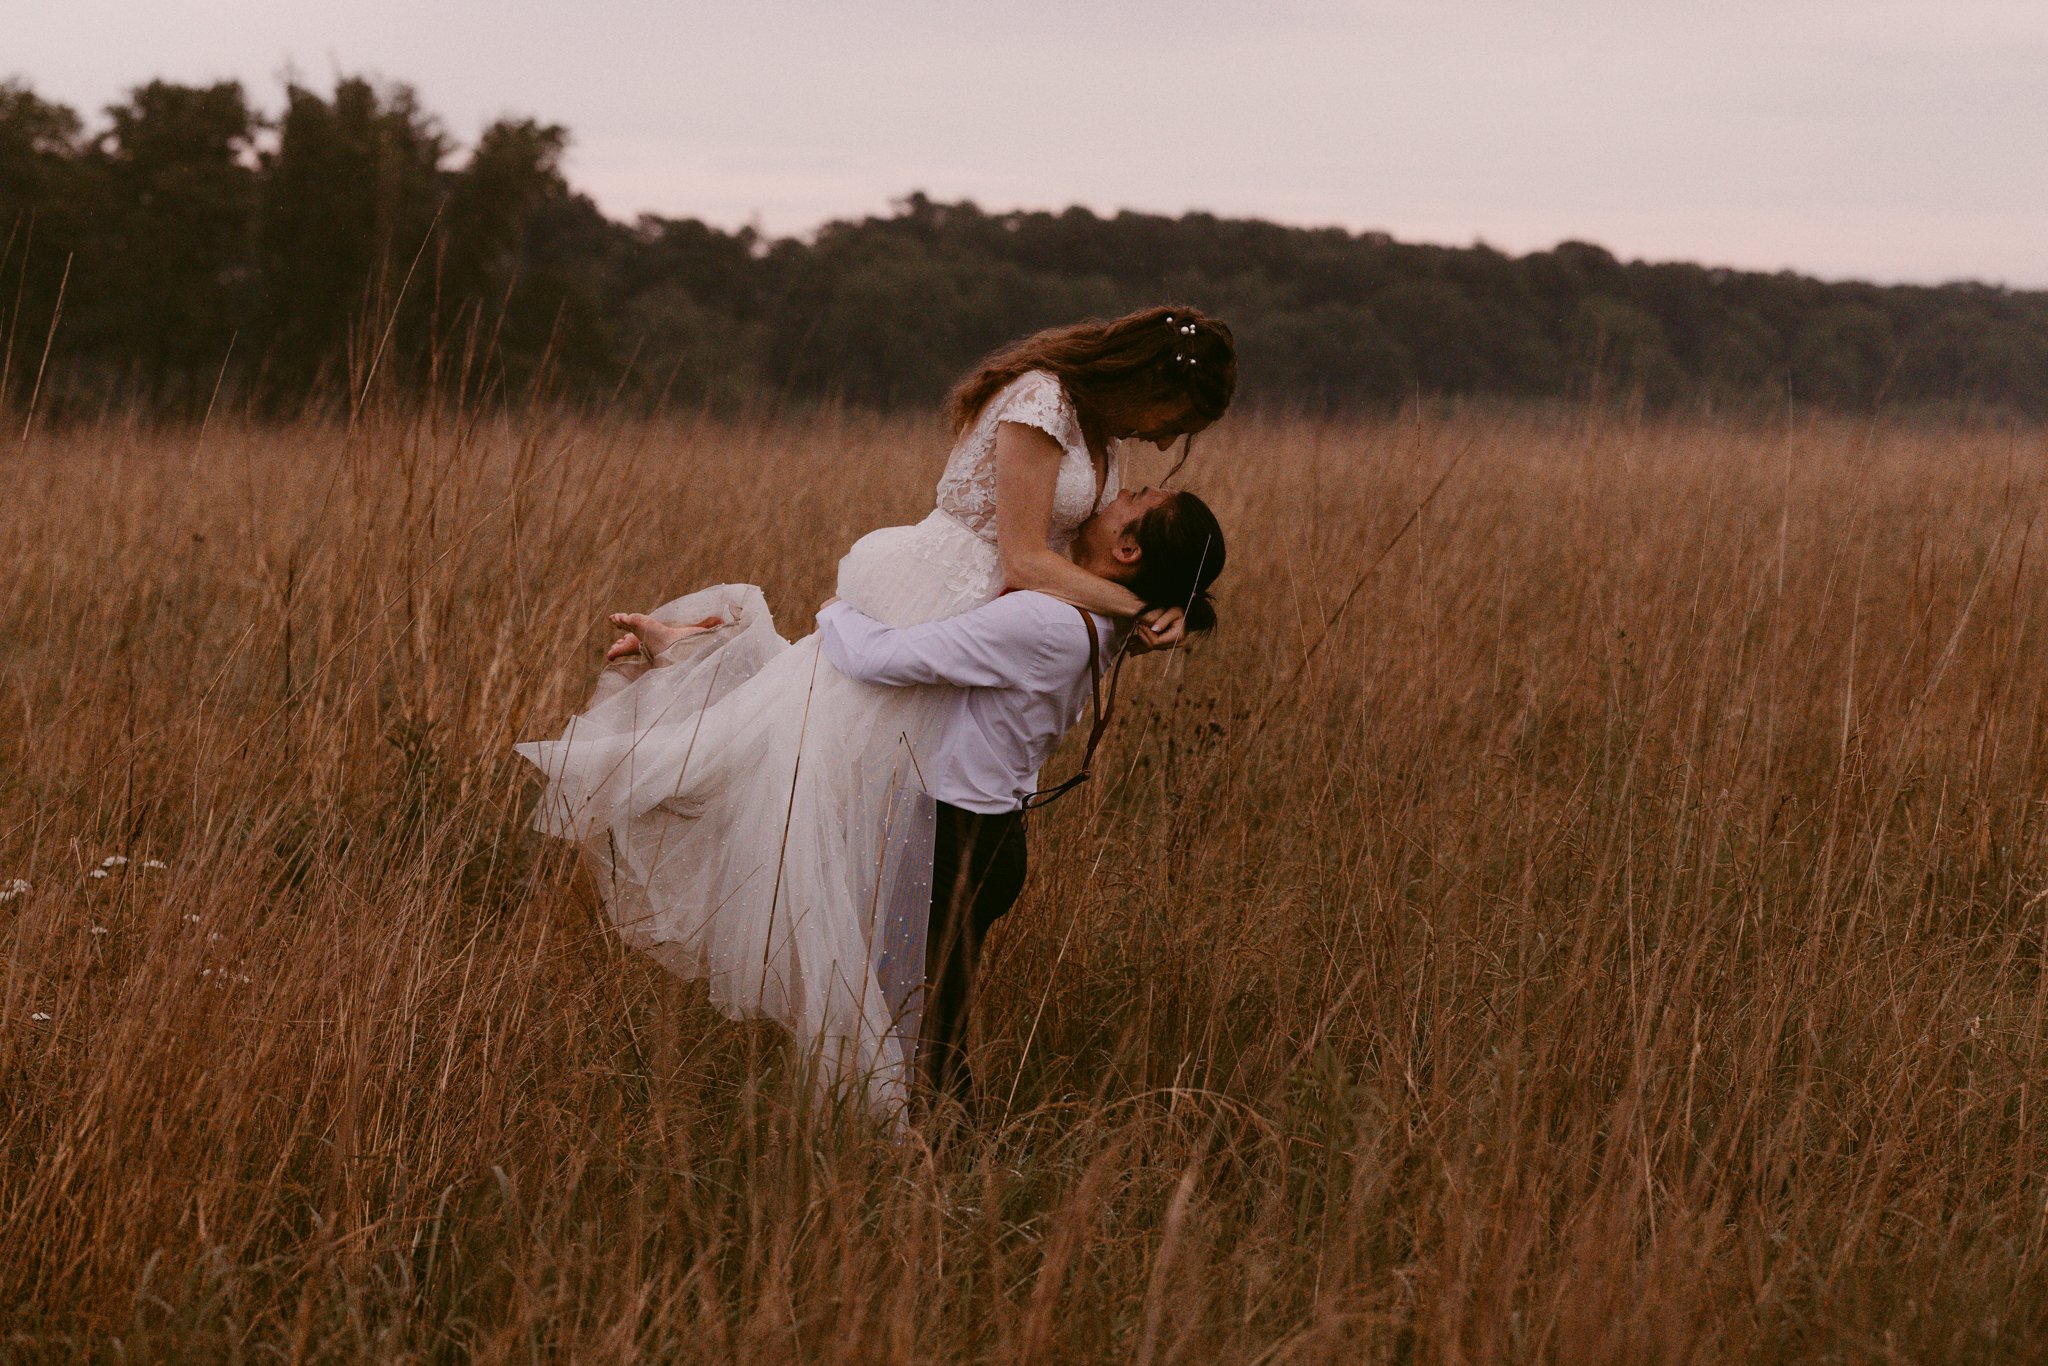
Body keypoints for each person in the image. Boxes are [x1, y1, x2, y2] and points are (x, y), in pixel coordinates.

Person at [515, 307, 1236, 1117]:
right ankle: (687, 667)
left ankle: (692, 646)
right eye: (1172, 418)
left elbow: (1062, 572)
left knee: (833, 789)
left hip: (993, 623)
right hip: (944, 590)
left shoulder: (1100, 437)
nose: (1163, 438)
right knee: (802, 774)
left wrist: (1143, 617)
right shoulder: (1041, 400)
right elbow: (1029, 558)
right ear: (1150, 377)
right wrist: (1135, 607)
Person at [815, 485, 1226, 1115]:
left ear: (1126, 547)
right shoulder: (1098, 616)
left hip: (957, 842)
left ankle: (949, 1172)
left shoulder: (1047, 622)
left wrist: (835, 611)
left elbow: (879, 657)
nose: (1116, 491)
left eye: (1135, 497)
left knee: (921, 1045)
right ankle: (931, 1160)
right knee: (921, 1029)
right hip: (985, 836)